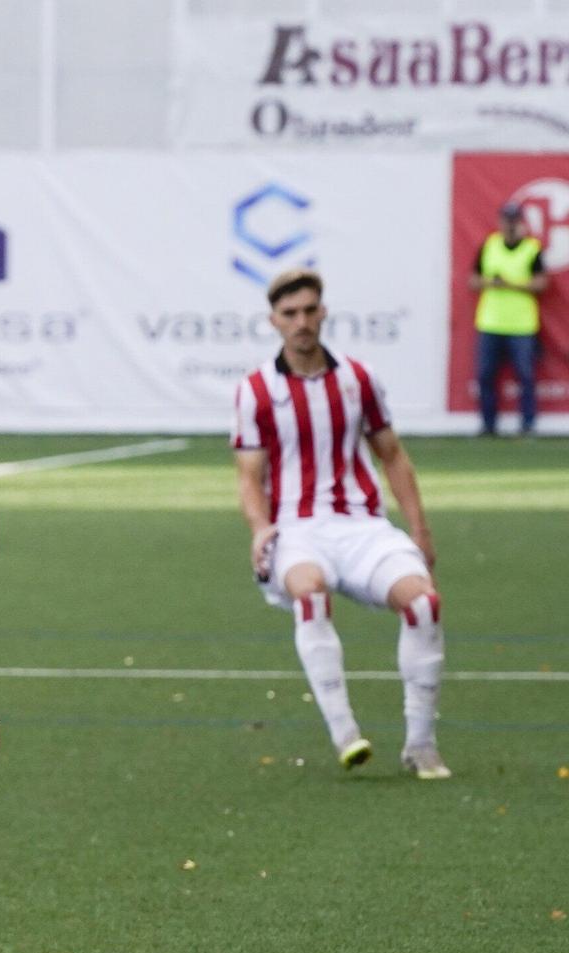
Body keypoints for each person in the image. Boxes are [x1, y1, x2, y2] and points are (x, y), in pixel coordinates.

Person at [232, 269, 450, 780]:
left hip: (362, 526)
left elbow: (392, 455)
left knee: (424, 603)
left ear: (323, 312)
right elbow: (249, 477)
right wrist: (260, 528)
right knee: (310, 594)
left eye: (309, 310)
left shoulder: (358, 379)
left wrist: (420, 530)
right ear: (274, 321)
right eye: (290, 314)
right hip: (296, 529)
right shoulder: (256, 391)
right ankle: (346, 734)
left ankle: (421, 745)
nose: (302, 322)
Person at [468, 200, 548, 437]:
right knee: (485, 375)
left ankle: (528, 424)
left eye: (514, 220)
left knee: (525, 375)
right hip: (490, 321)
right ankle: (488, 424)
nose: (510, 225)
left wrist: (511, 284)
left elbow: (542, 283)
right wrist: (491, 282)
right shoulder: (490, 245)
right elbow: (472, 280)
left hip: (522, 324)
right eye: (507, 219)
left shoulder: (532, 248)